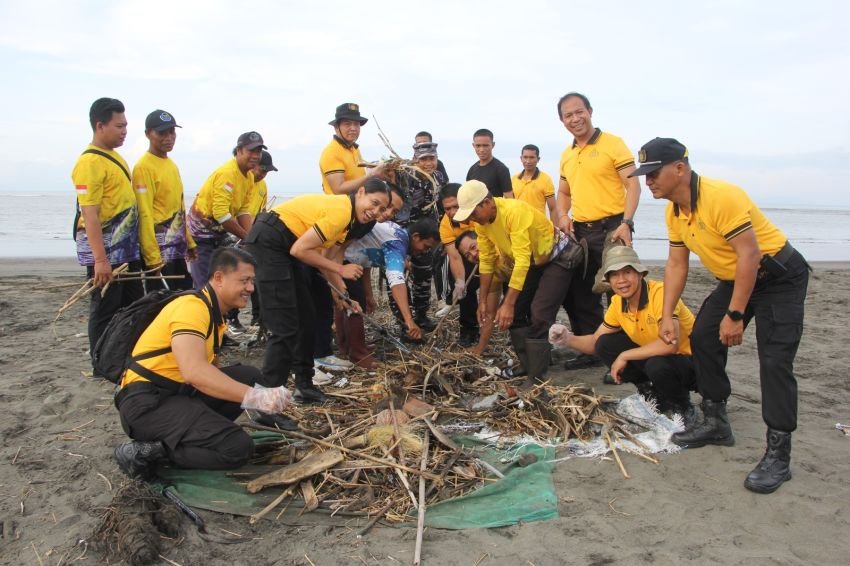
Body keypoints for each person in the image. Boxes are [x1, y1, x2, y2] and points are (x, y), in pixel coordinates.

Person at [631, 137, 810, 494]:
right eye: (644, 175)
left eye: (653, 174)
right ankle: (716, 421)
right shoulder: (674, 212)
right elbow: (676, 264)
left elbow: (750, 255)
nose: (647, 182)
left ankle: (779, 455)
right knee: (702, 337)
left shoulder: (721, 196)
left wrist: (735, 314)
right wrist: (666, 316)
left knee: (774, 361)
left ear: (679, 168)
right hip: (736, 277)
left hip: (778, 277)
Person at [113, 247, 292, 479]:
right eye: (244, 280)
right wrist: (255, 397)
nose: (250, 288)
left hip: (178, 394)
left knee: (250, 376)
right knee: (237, 448)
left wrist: (257, 394)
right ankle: (149, 451)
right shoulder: (192, 308)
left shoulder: (214, 313)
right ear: (219, 278)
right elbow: (194, 372)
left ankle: (203, 429)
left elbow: (210, 369)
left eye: (252, 281)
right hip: (147, 404)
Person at [246, 179, 391, 414]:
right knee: (284, 327)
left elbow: (322, 259)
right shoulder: (341, 211)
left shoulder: (349, 220)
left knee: (308, 317)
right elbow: (301, 250)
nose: (375, 211)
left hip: (287, 247)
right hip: (269, 242)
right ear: (361, 192)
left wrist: (342, 294)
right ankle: (264, 407)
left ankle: (304, 386)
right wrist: (341, 270)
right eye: (374, 203)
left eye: (382, 209)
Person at [453, 180, 584, 387]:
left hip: (557, 255)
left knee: (539, 313)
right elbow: (487, 259)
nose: (471, 219)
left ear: (486, 202)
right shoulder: (481, 224)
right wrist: (483, 301)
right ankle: (526, 364)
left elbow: (521, 261)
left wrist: (508, 303)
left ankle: (537, 376)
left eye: (473, 213)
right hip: (534, 260)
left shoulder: (514, 212)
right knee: (515, 314)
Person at [549, 246, 696, 415]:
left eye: (627, 272)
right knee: (605, 343)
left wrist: (624, 355)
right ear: (609, 280)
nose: (621, 280)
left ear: (640, 274)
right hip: (657, 356)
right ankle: (649, 391)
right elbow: (595, 342)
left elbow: (670, 346)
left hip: (692, 361)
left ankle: (683, 406)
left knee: (656, 365)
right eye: (614, 275)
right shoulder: (618, 303)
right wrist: (567, 338)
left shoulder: (661, 294)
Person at [555, 92, 640, 371]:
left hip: (613, 228)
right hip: (581, 232)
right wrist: (563, 216)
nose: (575, 119)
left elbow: (633, 185)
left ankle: (624, 356)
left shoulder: (612, 144)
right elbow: (564, 192)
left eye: (579, 112)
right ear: (562, 120)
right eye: (568, 115)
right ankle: (593, 351)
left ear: (590, 111)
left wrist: (627, 222)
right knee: (583, 294)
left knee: (620, 291)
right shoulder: (567, 154)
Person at [71, 97, 144, 359]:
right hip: (106, 253)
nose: (124, 131)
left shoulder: (115, 157)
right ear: (100, 126)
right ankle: (99, 361)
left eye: (126, 126)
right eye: (119, 126)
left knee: (134, 305)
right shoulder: (89, 163)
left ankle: (125, 356)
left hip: (127, 250)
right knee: (105, 308)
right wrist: (100, 261)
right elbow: (89, 214)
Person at [340, 218, 439, 357]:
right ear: (416, 237)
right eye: (426, 246)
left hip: (349, 258)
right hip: (341, 258)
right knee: (354, 303)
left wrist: (369, 294)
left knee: (350, 301)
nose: (424, 251)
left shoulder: (398, 234)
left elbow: (364, 260)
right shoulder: (396, 243)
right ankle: (358, 354)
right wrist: (409, 321)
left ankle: (347, 346)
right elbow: (396, 282)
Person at [188, 131, 265, 289]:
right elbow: (221, 214)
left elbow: (243, 211)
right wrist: (246, 237)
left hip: (219, 235)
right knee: (205, 287)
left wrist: (251, 239)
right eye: (251, 151)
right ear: (239, 150)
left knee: (223, 283)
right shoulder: (227, 174)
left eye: (258, 151)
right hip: (200, 236)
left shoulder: (249, 177)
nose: (255, 156)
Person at [132, 109, 195, 292]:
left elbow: (179, 208)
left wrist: (189, 241)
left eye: (172, 132)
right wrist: (151, 257)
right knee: (160, 298)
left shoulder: (172, 165)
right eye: (162, 133)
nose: (169, 138)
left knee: (184, 293)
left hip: (177, 244)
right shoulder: (143, 167)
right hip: (159, 248)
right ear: (148, 134)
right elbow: (144, 213)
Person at [224, 149, 279, 334]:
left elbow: (260, 212)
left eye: (267, 171)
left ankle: (258, 317)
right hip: (232, 233)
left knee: (256, 275)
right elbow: (229, 211)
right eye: (262, 170)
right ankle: (231, 318)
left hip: (252, 234)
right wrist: (243, 235)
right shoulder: (238, 180)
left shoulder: (262, 186)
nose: (263, 174)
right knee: (234, 276)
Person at [438, 183, 480, 347]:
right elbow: (454, 257)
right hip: (468, 256)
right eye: (447, 209)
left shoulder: (476, 214)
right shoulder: (445, 225)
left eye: (456, 206)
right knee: (465, 288)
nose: (452, 212)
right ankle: (469, 329)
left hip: (488, 249)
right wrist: (460, 281)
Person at [455, 230, 509, 355]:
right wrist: (480, 348)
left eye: (473, 247)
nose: (473, 254)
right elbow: (489, 314)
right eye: (467, 255)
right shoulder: (489, 272)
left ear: (483, 240)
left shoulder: (503, 249)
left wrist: (508, 304)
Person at [319, 103, 383, 195]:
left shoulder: (354, 149)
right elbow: (338, 189)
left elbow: (358, 179)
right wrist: (370, 175)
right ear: (336, 127)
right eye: (347, 124)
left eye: (356, 124)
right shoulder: (331, 152)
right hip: (341, 204)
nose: (353, 128)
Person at [511, 144, 557, 220]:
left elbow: (553, 208)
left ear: (538, 159)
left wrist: (555, 226)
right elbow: (509, 205)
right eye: (525, 157)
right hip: (518, 224)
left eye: (531, 157)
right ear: (521, 158)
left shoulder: (546, 179)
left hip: (538, 225)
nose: (528, 161)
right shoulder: (514, 179)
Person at [466, 129, 513, 198]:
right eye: (478, 145)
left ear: (493, 145)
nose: (481, 150)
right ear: (473, 145)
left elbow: (509, 198)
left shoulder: (501, 169)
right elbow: (468, 195)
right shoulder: (472, 170)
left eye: (485, 145)